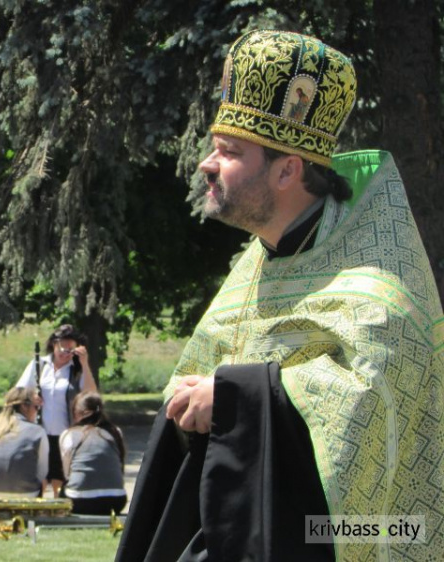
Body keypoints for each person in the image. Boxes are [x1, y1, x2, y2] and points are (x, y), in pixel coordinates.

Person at [116, 30, 443, 562]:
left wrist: (234, 398)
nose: (206, 163)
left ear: (289, 168)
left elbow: (372, 402)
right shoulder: (255, 268)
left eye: (228, 151)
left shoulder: (379, 286)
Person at [16, 324, 98, 496]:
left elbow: (91, 395)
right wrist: (31, 397)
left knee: (61, 477)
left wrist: (84, 363)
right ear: (54, 344)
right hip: (40, 430)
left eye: (70, 349)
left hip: (66, 433)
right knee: (39, 475)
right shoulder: (39, 364)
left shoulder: (76, 369)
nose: (64, 353)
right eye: (62, 347)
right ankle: (40, 509)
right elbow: (20, 391)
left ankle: (58, 507)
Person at [59, 391, 126, 515]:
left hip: (79, 501)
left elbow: (67, 474)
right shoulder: (115, 432)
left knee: (62, 491)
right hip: (116, 501)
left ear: (78, 413)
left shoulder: (69, 435)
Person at [0, 387, 48, 498]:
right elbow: (42, 472)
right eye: (36, 407)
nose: (37, 411)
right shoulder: (38, 432)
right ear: (24, 406)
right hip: (25, 494)